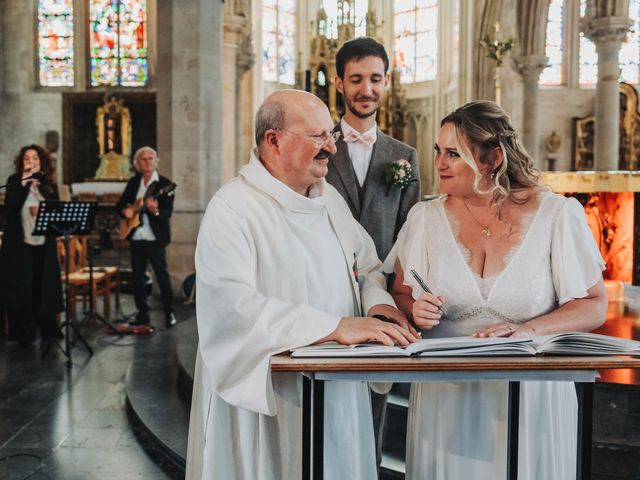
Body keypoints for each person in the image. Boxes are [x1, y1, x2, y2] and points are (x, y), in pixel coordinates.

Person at [186, 89, 420, 480]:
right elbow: (232, 307)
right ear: (273, 140)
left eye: (331, 134)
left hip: (338, 387)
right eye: (317, 136)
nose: (331, 146)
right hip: (270, 396)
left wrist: (377, 304)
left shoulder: (329, 202)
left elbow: (367, 268)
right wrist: (334, 327)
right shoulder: (233, 208)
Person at [386, 100, 607, 480]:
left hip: (533, 395)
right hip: (448, 397)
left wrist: (527, 331)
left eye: (453, 154)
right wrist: (413, 309)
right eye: (438, 151)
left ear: (493, 158)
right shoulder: (424, 218)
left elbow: (593, 304)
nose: (439, 163)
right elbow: (401, 294)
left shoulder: (556, 215)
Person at [325, 36, 421, 470]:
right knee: (328, 399)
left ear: (387, 83)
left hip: (381, 296)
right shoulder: (318, 146)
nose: (367, 89)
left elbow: (412, 231)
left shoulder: (404, 156)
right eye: (357, 79)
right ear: (340, 83)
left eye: (376, 79)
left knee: (375, 397)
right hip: (327, 290)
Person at [0, 145, 64, 346]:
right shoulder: (14, 181)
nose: (31, 161)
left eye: (34, 157)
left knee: (42, 285)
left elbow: (56, 210)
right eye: (27, 158)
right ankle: (24, 332)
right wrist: (26, 182)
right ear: (22, 162)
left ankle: (47, 329)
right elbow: (11, 205)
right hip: (19, 244)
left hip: (43, 243)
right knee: (22, 287)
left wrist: (42, 211)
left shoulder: (48, 184)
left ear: (40, 161)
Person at [115, 146, 177, 328]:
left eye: (151, 158)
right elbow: (119, 206)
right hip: (136, 236)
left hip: (154, 239)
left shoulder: (165, 185)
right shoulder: (134, 183)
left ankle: (169, 312)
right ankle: (142, 314)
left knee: (162, 276)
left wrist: (155, 210)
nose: (147, 161)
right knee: (137, 278)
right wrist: (126, 212)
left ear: (156, 161)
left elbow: (167, 212)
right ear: (137, 164)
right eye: (143, 159)